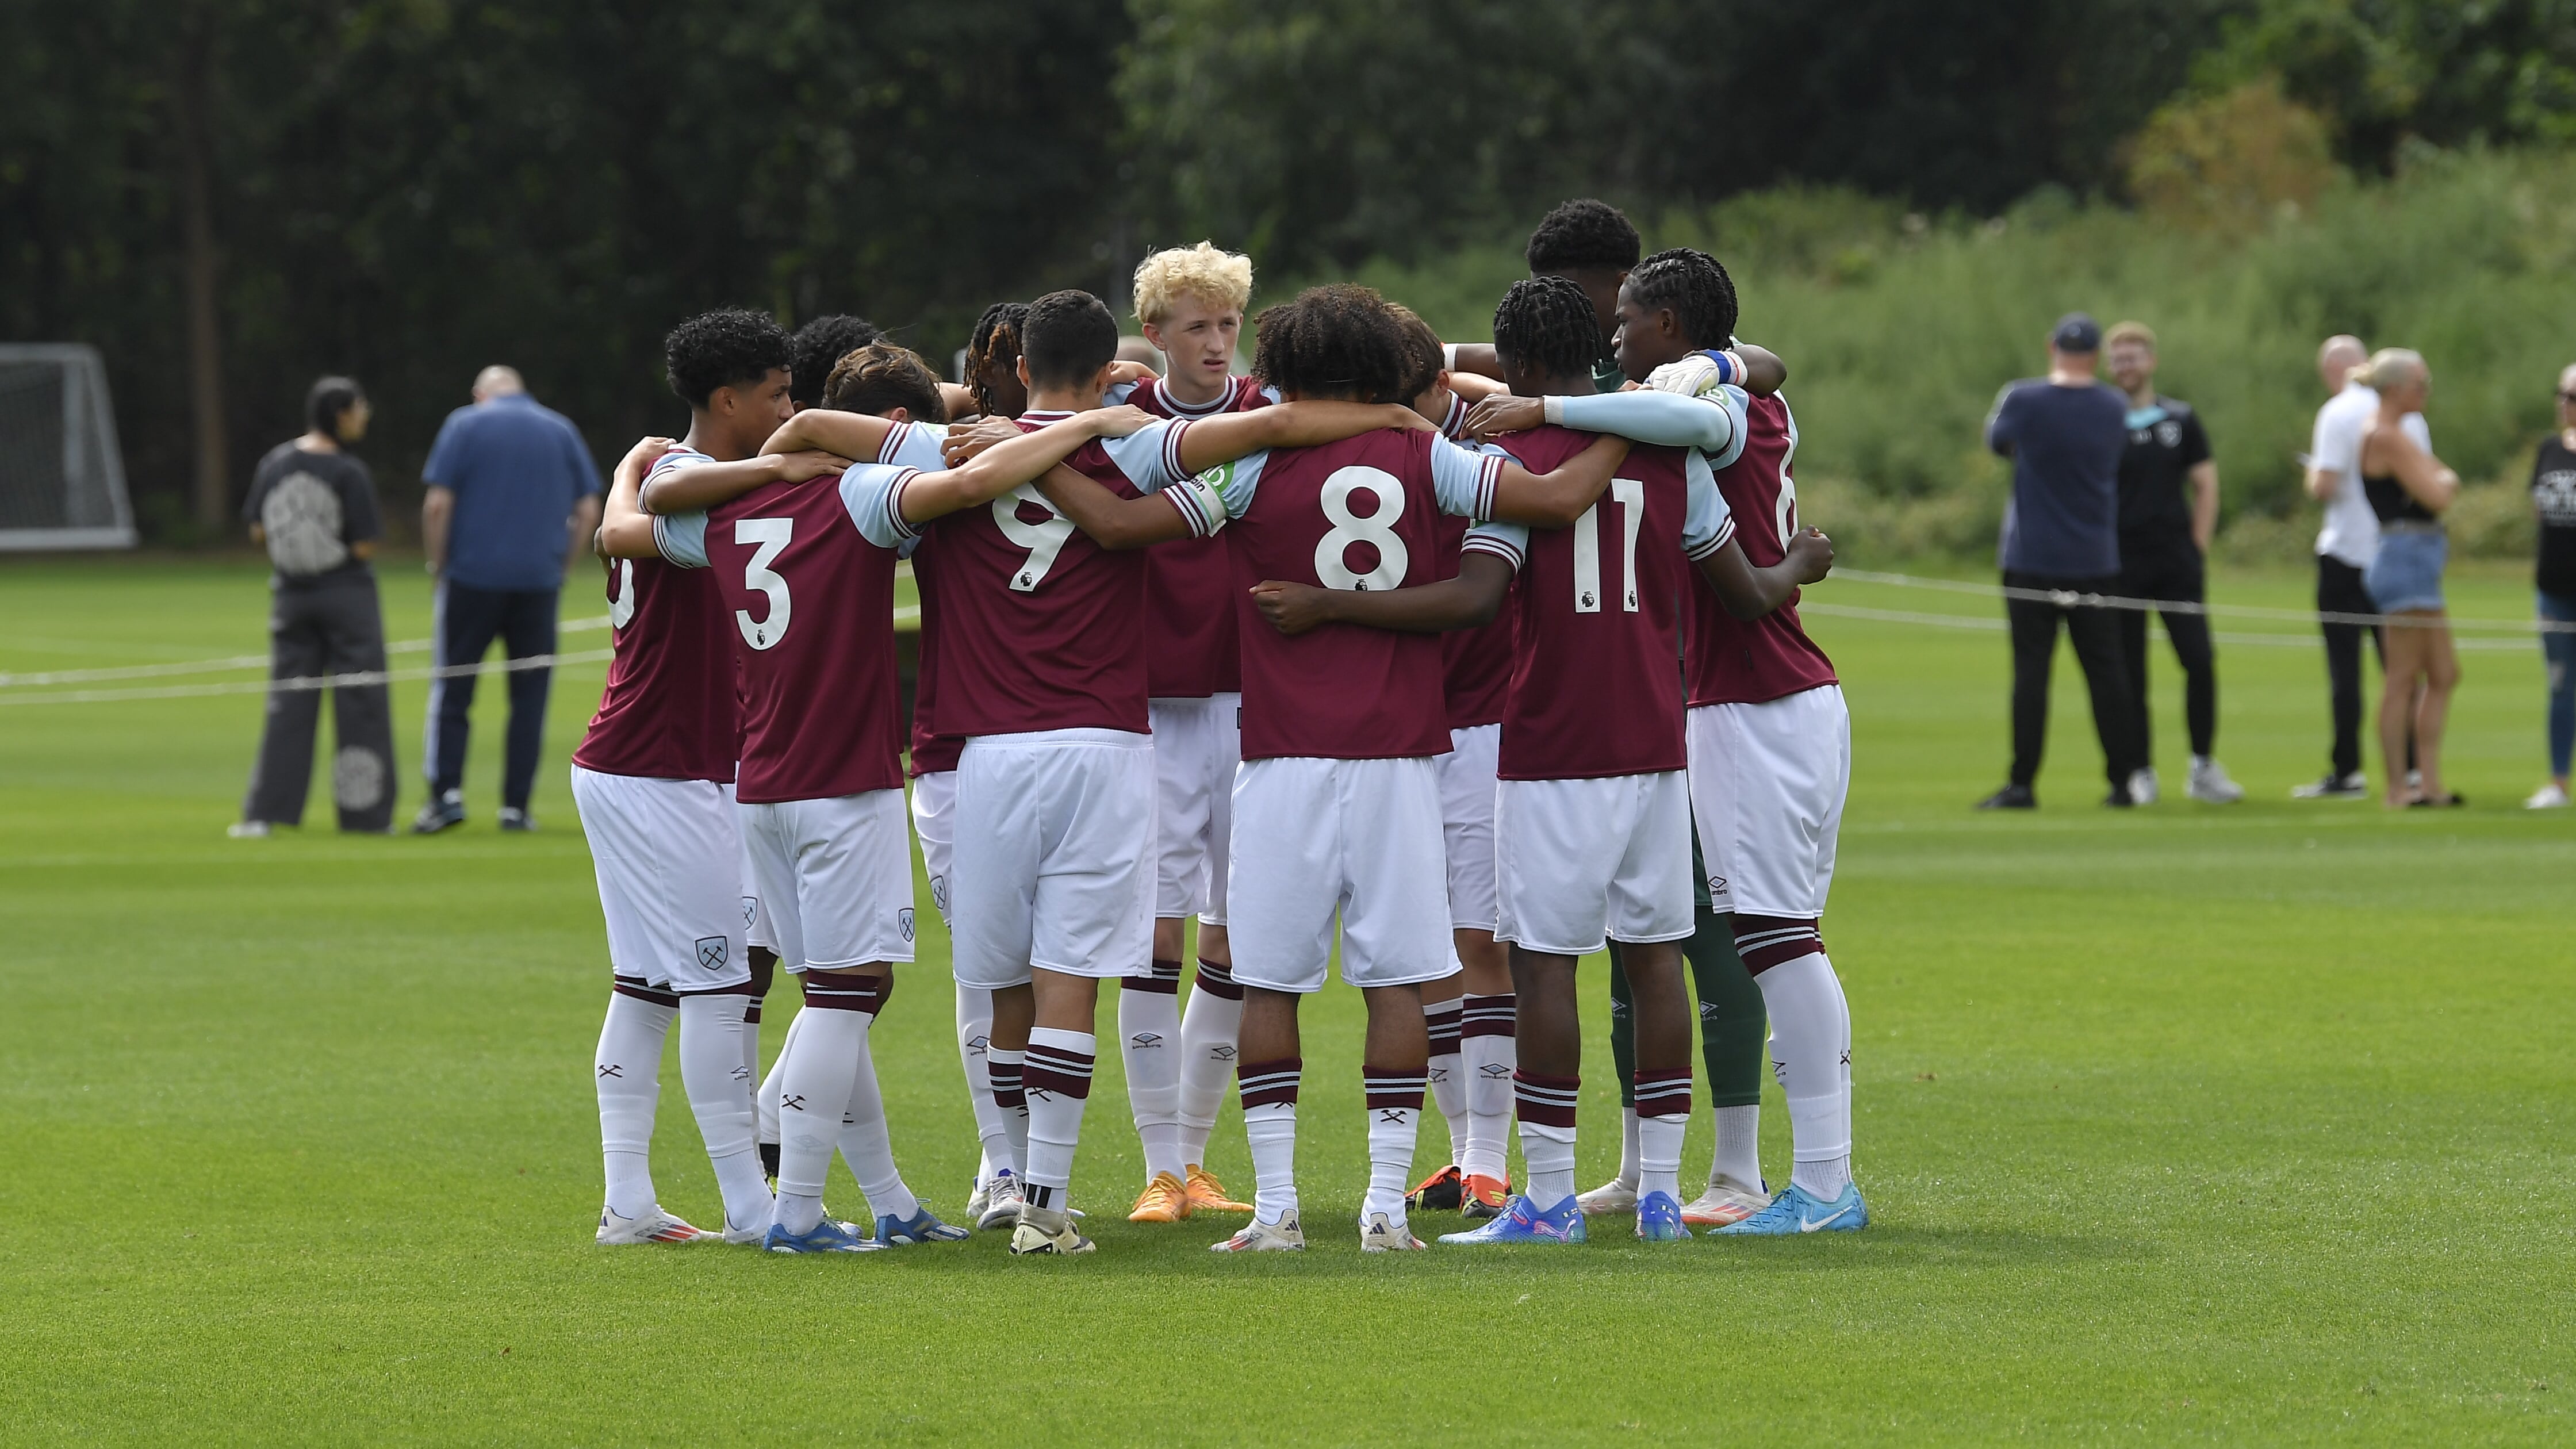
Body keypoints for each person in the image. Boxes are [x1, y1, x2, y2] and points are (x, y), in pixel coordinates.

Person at [1028, 283, 1648, 1253]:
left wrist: (1026, 457)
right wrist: (1634, 425)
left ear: (1285, 372)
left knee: (1268, 986)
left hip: (1279, 757)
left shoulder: (1251, 462)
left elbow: (1124, 516)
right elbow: (1556, 498)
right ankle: (1382, 1210)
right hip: (1402, 758)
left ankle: (1276, 1211)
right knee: (1397, 985)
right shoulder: (1429, 456)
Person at [620, 330, 1167, 1252]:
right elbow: (966, 486)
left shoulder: (717, 513)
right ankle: (796, 1213)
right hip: (846, 780)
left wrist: (662, 463)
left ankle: (887, 1197)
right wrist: (1093, 425)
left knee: (838, 993)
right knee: (845, 998)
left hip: (759, 784)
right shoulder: (858, 494)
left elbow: (628, 522)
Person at [1462, 252, 1862, 1236]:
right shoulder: (1728, 404)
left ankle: (1819, 1184)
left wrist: (1546, 415)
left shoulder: (1680, 410)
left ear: (1674, 328)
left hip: (1744, 703)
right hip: (1719, 710)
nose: (1616, 338)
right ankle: (1664, 1182)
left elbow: (1699, 416)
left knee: (1766, 941)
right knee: (1684, 946)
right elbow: (1744, 378)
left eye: (1631, 319)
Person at [571, 310, 854, 1244]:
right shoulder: (690, 485)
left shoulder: (668, 476)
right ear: (727, 399)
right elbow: (645, 516)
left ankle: (627, 1201)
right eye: (777, 394)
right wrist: (785, 467)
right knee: (718, 985)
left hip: (647, 765)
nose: (790, 410)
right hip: (660, 770)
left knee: (648, 985)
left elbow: (626, 517)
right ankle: (751, 1209)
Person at [1112, 241, 1269, 1224]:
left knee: (1237, 931)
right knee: (1151, 933)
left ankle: (1198, 1162)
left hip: (1254, 703)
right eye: (1197, 326)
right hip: (1152, 710)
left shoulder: (1270, 414)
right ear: (1155, 336)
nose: (1217, 343)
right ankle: (1158, 1168)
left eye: (1228, 324)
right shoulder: (1119, 423)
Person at [415, 365, 604, 833]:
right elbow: (588, 507)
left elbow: (437, 504)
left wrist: (438, 566)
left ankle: (447, 796)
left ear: (482, 394)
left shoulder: (463, 424)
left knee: (454, 690)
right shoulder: (560, 429)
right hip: (537, 583)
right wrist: (563, 566)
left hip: (471, 580)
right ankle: (516, 807)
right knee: (529, 697)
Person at [1975, 313, 2145, 810]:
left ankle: (2023, 782)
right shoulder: (2115, 406)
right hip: (2095, 558)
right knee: (2107, 674)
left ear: (2053, 347)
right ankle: (2122, 781)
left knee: (2032, 673)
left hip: (2031, 557)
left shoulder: (2023, 398)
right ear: (2095, 355)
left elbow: (1998, 442)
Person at [232, 376, 396, 837]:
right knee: (361, 703)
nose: (364, 416)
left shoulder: (276, 462)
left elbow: (258, 531)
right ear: (341, 413)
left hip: (290, 597)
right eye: (360, 407)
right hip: (347, 598)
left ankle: (266, 813)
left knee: (288, 705)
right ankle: (365, 816)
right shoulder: (349, 472)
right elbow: (364, 544)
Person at [2102, 320, 2242, 804]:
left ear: (2151, 361)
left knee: (2199, 660)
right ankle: (2139, 769)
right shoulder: (2101, 419)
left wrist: (2196, 545)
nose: (2126, 365)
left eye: (2134, 356)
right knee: (2130, 671)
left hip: (2175, 561)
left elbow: (2205, 483)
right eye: (2118, 358)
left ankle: (2203, 766)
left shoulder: (2179, 419)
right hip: (2119, 563)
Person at [2298, 335, 2425, 799]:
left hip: (2347, 552)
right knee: (2402, 669)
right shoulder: (2412, 415)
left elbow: (2325, 483)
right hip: (2397, 550)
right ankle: (2411, 767)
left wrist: (2311, 472)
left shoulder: (2337, 413)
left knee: (2344, 671)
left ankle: (2348, 768)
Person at [2351, 350, 2463, 808]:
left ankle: (2430, 782)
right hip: (2404, 559)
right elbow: (2438, 492)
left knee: (2443, 673)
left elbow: (2435, 479)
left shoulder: (2395, 433)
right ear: (2396, 389)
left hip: (2418, 557)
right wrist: (2446, 481)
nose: (2426, 392)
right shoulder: (2385, 435)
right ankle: (2399, 788)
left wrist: (2442, 479)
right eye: (2421, 384)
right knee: (2402, 678)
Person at [2528, 363, 2576, 810]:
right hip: (2554, 590)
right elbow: (2538, 511)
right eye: (2562, 395)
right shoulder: (2548, 449)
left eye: (2573, 397)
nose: (2565, 404)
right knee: (2561, 685)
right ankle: (2559, 782)